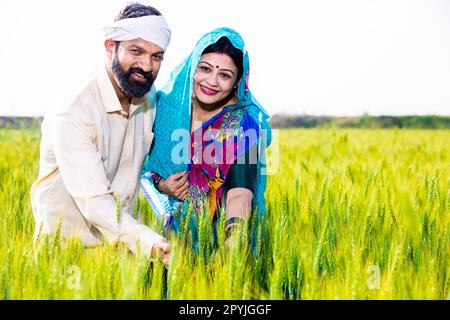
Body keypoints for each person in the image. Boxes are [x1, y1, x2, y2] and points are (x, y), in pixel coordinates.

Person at [30, 3, 171, 264]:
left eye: (157, 56)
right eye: (136, 51)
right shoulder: (73, 112)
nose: (146, 66)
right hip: (66, 261)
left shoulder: (147, 99)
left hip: (121, 260)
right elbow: (95, 202)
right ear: (110, 47)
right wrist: (152, 243)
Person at [141, 27, 271, 249]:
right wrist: (161, 185)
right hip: (152, 241)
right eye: (205, 69)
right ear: (193, 67)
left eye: (224, 75)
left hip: (214, 246)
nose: (212, 81)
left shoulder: (243, 125)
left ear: (238, 81)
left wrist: (234, 237)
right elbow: (132, 169)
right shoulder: (161, 110)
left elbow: (240, 191)